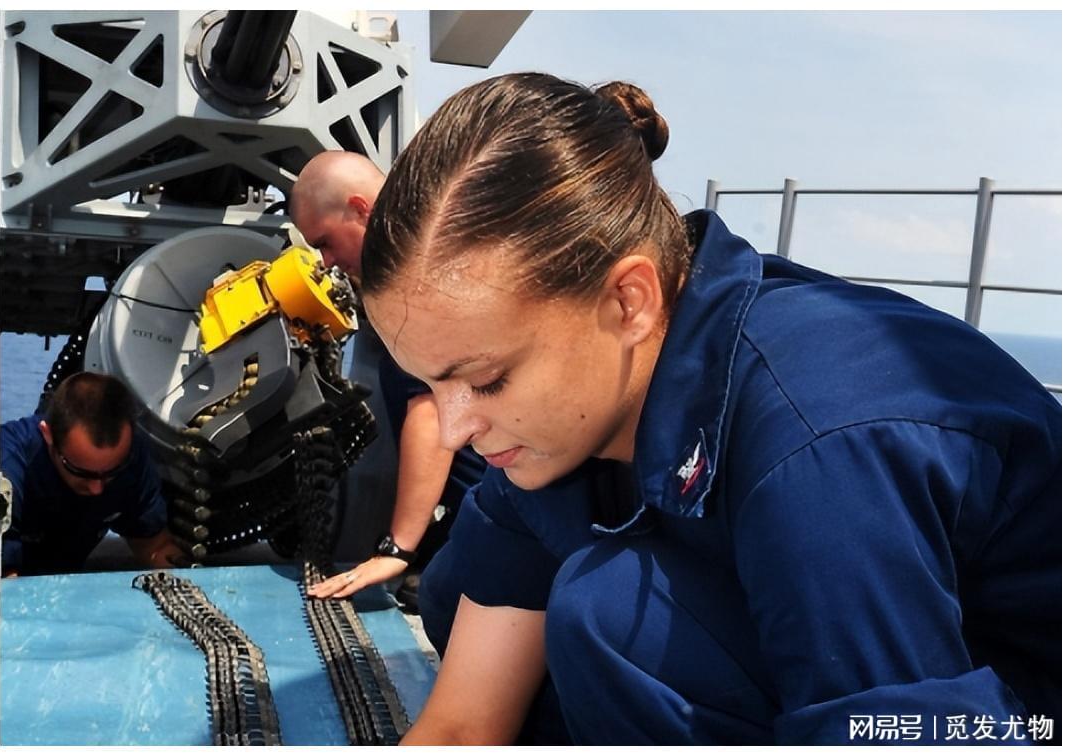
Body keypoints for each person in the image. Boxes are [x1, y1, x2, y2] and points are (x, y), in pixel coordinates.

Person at [357, 72, 1061, 745]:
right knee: (460, 591)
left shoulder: (819, 448)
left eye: (486, 380)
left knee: (612, 617)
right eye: (431, 384)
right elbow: (461, 725)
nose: (455, 429)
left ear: (629, 301)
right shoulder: (554, 425)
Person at [288, 151, 486, 603]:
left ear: (360, 209)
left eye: (325, 243)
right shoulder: (436, 242)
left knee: (440, 602)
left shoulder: (408, 276)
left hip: (510, 504)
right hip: (485, 504)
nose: (327, 261)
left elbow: (432, 410)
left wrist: (397, 549)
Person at [0, 372, 182, 576]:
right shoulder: (6, 465)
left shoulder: (132, 459)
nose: (97, 489)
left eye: (112, 472)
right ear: (48, 434)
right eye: (80, 472)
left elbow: (153, 546)